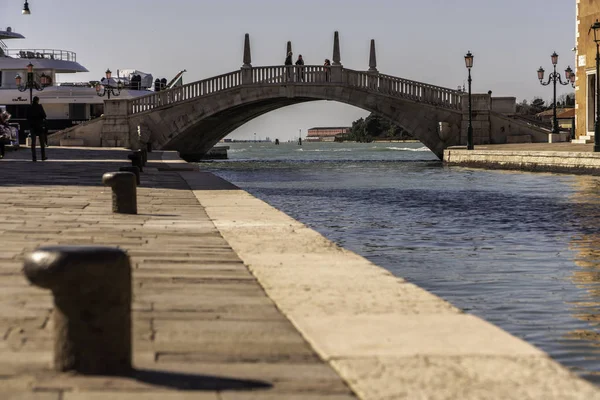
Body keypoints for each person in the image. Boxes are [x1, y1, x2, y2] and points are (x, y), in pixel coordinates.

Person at [27, 96, 47, 162]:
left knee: (33, 143)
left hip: (32, 126)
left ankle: (34, 158)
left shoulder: (29, 107)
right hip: (39, 126)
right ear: (37, 100)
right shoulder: (39, 106)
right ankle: (43, 157)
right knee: (42, 142)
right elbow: (44, 115)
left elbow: (27, 116)